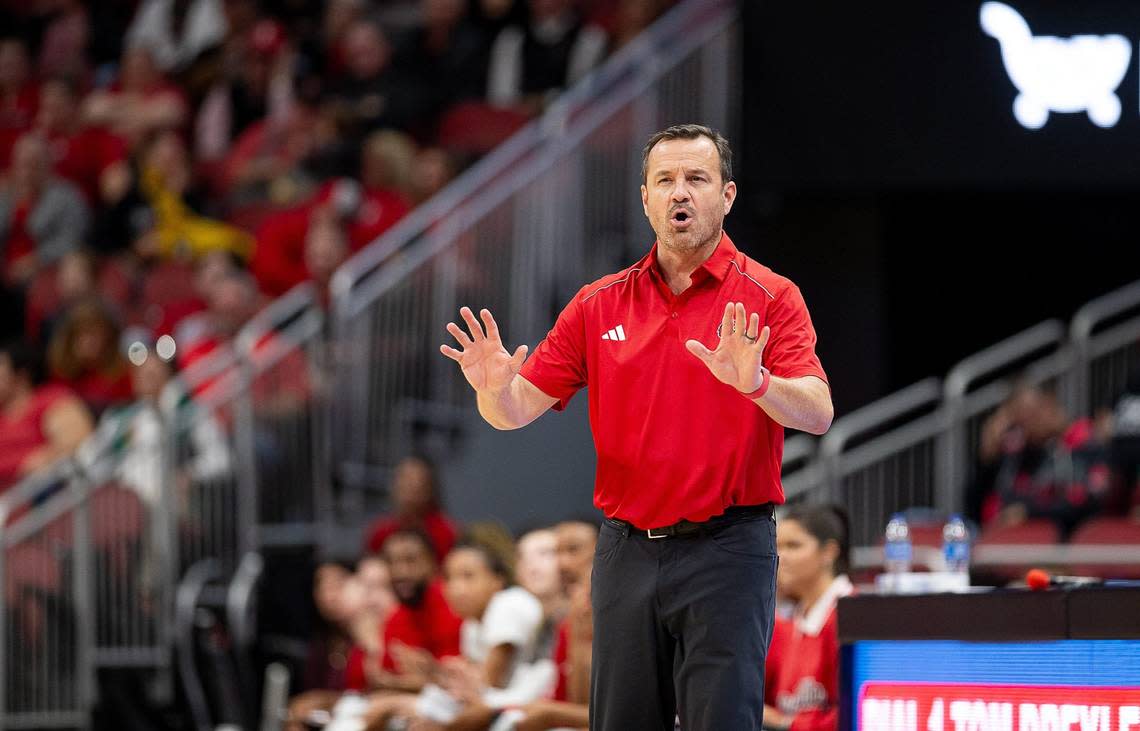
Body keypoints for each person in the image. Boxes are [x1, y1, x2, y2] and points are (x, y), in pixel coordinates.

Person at [439, 124, 833, 730]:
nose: (681, 193)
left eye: (697, 179)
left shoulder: (770, 295)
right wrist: (492, 388)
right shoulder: (600, 303)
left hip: (728, 549)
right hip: (626, 550)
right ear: (644, 197)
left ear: (726, 196)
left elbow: (818, 410)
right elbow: (515, 411)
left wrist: (756, 383)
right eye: (665, 180)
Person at [764, 505, 853, 731]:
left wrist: (784, 723)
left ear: (829, 552)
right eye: (777, 547)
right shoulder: (788, 624)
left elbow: (859, 711)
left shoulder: (851, 618)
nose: (781, 557)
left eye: (793, 546)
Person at [0, 339, 94, 492]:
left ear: (22, 374)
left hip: (41, 498)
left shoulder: (50, 400)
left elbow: (77, 443)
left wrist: (38, 463)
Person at [365, 454, 460, 562]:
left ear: (429, 488)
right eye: (405, 479)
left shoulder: (445, 532)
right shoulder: (381, 531)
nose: (411, 485)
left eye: (417, 480)